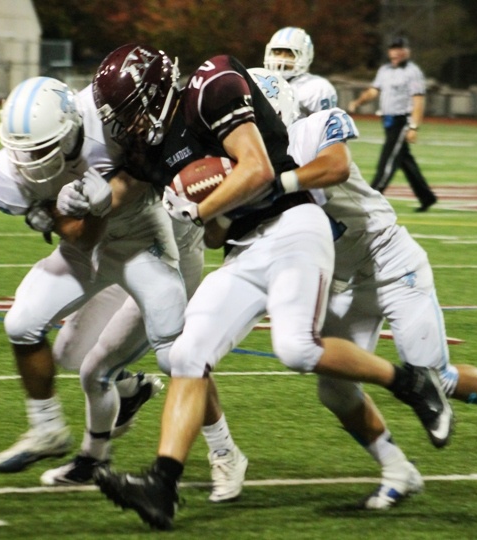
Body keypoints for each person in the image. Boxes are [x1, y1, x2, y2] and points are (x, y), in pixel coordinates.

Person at [89, 43, 452, 530]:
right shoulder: (152, 150)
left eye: (131, 114)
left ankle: (410, 381)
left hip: (294, 226)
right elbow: (217, 233)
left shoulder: (210, 85)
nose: (127, 127)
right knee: (185, 355)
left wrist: (198, 206)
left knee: (297, 349)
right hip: (243, 248)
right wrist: (202, 210)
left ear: (155, 93)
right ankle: (162, 485)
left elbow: (258, 169)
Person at [250, 67, 477, 506]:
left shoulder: (312, 129)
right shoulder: (248, 162)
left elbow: (334, 167)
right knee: (333, 386)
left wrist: (278, 184)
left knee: (434, 377)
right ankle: (397, 469)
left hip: (392, 262)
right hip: (344, 279)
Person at [0, 77, 166, 474]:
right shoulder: (6, 170)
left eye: (41, 149)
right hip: (90, 247)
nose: (30, 162)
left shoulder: (109, 124)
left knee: (176, 353)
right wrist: (53, 208)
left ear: (71, 130)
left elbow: (138, 181)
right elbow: (75, 237)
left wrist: (99, 202)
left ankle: (207, 449)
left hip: (143, 245)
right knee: (23, 323)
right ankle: (47, 427)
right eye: (22, 151)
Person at [347, 36, 437, 212]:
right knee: (404, 161)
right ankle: (427, 197)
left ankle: (371, 198)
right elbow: (374, 91)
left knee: (387, 161)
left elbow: (418, 100)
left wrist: (413, 127)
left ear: (407, 51)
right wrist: (358, 102)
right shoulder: (385, 70)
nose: (396, 52)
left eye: (399, 48)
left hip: (401, 121)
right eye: (393, 48)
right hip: (387, 121)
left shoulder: (413, 72)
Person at [264, 26, 337, 117]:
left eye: (290, 54)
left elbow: (322, 127)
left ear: (306, 56)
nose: (281, 59)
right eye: (277, 52)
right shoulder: (259, 82)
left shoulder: (316, 88)